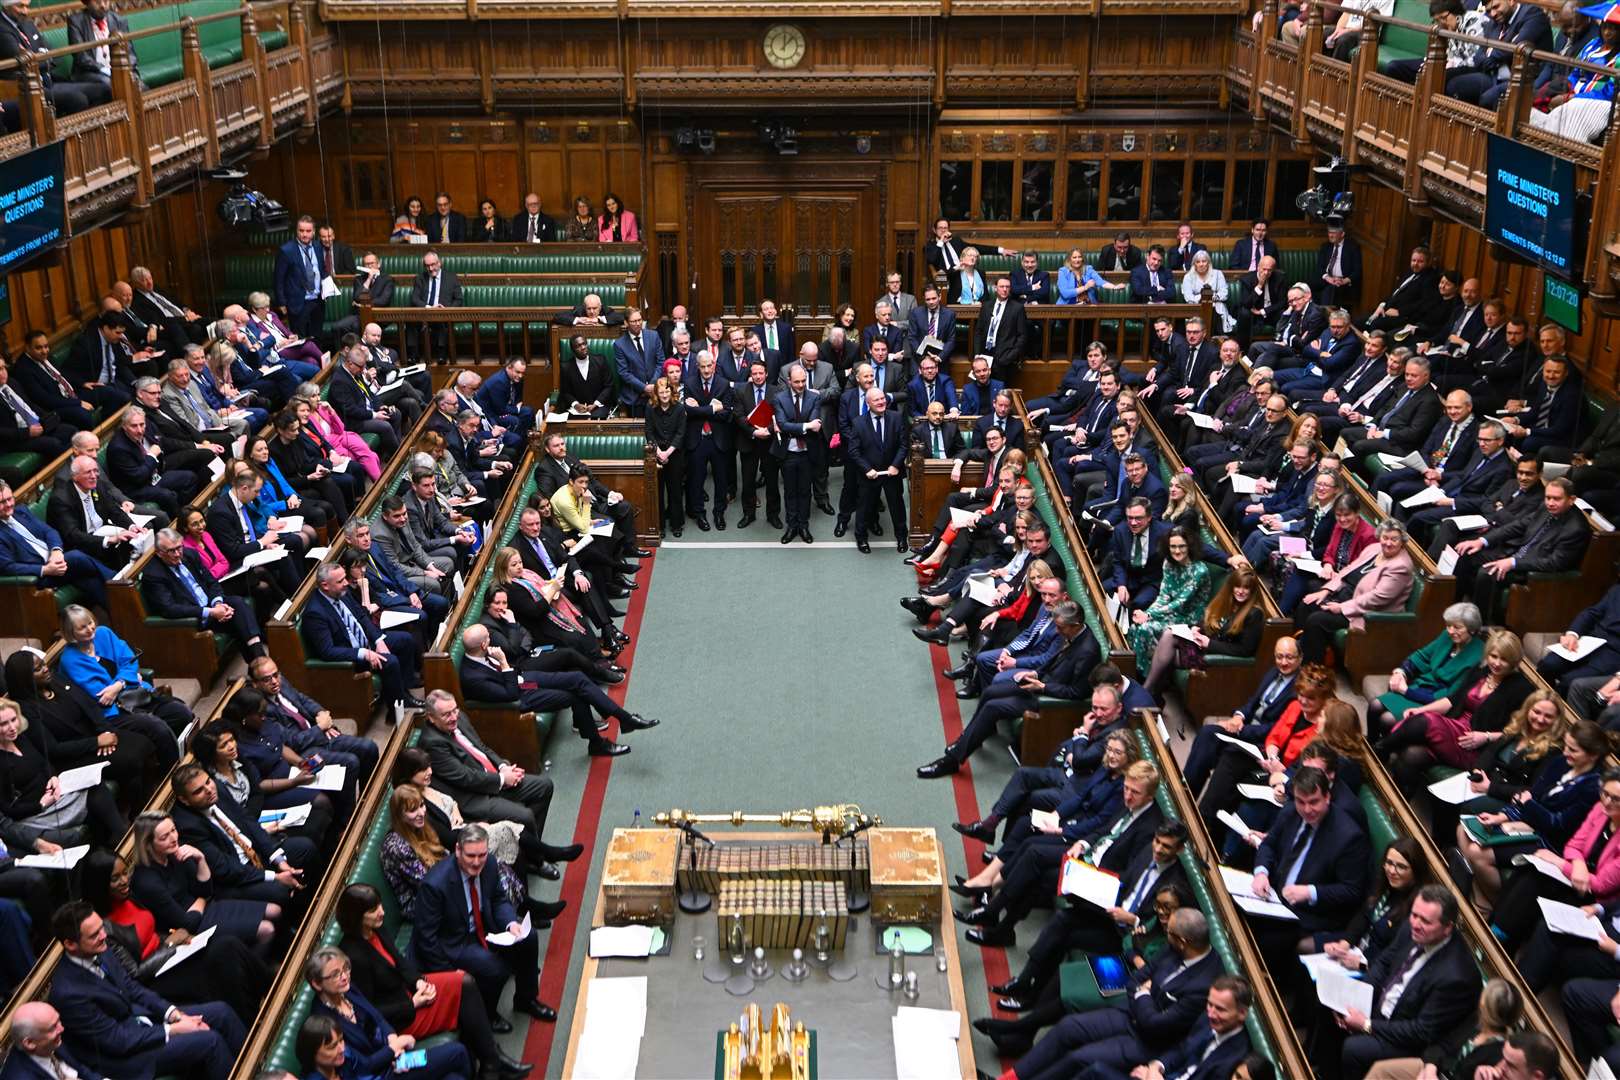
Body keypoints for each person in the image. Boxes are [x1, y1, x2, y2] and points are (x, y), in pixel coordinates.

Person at [335, 883, 529, 1079]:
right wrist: (412, 1003)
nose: (382, 912)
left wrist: (418, 982)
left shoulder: (375, 928)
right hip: (399, 1018)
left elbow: (400, 962)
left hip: (408, 992)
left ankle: (491, 1062)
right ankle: (492, 1063)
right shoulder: (353, 957)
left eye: (380, 905)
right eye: (373, 910)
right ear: (357, 916)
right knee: (463, 1000)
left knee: (464, 982)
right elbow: (370, 1010)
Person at [997, 906, 1219, 1076]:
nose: (1165, 935)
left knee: (1079, 1058)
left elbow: (1156, 1025)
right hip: (1128, 1014)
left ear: (1183, 941)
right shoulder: (1173, 948)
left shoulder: (1204, 985)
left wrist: (1143, 994)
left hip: (1148, 1044)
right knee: (1067, 1027)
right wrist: (1143, 993)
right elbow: (1136, 981)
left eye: (1169, 933)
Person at [49, 901, 247, 1080]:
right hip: (126, 1057)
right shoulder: (68, 993)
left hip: (142, 1023)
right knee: (210, 1041)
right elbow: (117, 1040)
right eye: (94, 935)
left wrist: (174, 1014)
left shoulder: (100, 948)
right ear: (70, 944)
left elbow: (133, 989)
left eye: (102, 928)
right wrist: (175, 1029)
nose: (104, 936)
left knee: (222, 1012)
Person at [917, 602, 1099, 778]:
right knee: (989, 692)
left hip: (1050, 702)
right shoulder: (1071, 634)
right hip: (1039, 684)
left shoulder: (1088, 651)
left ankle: (952, 760)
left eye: (1060, 627)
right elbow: (1052, 661)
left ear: (1075, 625)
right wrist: (1035, 674)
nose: (1057, 631)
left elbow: (1078, 693)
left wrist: (1042, 687)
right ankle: (974, 736)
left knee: (993, 708)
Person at [418, 691, 582, 877]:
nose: (454, 716)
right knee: (525, 816)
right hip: (473, 797)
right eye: (446, 714)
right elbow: (465, 777)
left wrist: (503, 766)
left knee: (544, 786)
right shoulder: (432, 742)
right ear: (431, 718)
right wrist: (503, 779)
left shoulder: (460, 718)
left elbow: (482, 748)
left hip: (493, 778)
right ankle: (537, 860)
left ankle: (528, 850)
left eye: (455, 710)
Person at [1331, 885, 1483, 1080]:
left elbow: (1421, 1032)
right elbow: (1384, 964)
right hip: (1384, 1012)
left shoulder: (1457, 976)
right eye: (1414, 915)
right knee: (1332, 1011)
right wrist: (1355, 997)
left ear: (1447, 928)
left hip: (1409, 1042)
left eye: (1425, 921)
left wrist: (1367, 1025)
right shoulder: (1411, 929)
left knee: (1355, 1049)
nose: (1416, 924)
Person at [411, 824, 555, 1024]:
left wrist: (510, 924)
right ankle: (488, 1016)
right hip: (456, 942)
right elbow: (426, 939)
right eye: (470, 856)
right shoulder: (435, 885)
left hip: (485, 927)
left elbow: (498, 899)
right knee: (495, 968)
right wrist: (449, 974)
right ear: (458, 850)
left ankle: (526, 999)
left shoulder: (490, 864)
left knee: (528, 937)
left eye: (482, 855)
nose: (477, 862)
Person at [1374, 629, 1533, 792]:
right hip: (1453, 727)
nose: (1497, 663)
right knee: (1411, 754)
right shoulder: (1481, 672)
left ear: (1514, 660)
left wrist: (1486, 736)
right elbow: (1452, 700)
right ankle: (1398, 801)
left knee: (1425, 721)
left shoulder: (1521, 689)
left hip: (1473, 744)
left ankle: (1379, 750)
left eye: (1504, 659)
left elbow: (1520, 730)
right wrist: (1421, 709)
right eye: (1494, 656)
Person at [458, 625, 652, 755]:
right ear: (483, 644)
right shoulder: (472, 677)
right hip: (519, 697)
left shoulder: (481, 653)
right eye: (489, 638)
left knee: (576, 678)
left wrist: (508, 668)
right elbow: (509, 695)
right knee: (574, 695)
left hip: (523, 681)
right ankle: (602, 739)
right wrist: (503, 663)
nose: (491, 640)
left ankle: (623, 720)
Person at [305, 947, 475, 1080]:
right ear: (317, 983)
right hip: (379, 1074)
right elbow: (362, 1065)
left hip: (393, 1058)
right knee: (457, 1052)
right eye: (335, 974)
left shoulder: (347, 990)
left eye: (346, 968)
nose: (344, 976)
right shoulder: (324, 1022)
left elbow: (377, 1016)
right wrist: (394, 1048)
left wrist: (393, 1037)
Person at [128, 810, 278, 948]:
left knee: (275, 910)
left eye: (173, 830)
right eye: (164, 837)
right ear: (147, 845)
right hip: (189, 929)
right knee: (267, 930)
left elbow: (205, 890)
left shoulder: (175, 853)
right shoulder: (146, 881)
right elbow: (186, 924)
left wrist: (200, 859)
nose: (173, 839)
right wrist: (201, 901)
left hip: (205, 909)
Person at [1450, 475, 1588, 624]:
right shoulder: (1545, 508)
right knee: (1467, 552)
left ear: (1572, 499)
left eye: (1556, 499)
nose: (1550, 503)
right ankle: (1453, 608)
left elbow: (1554, 563)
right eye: (1548, 497)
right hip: (1515, 554)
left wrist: (1514, 563)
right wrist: (1482, 541)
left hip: (1533, 572)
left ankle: (1478, 625)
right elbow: (1518, 526)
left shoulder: (1576, 529)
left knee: (1487, 572)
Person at [301, 563, 426, 715]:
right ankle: (396, 712)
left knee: (405, 639)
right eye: (340, 581)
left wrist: (379, 640)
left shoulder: (341, 593)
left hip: (366, 642)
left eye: (344, 578)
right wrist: (364, 653)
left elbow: (362, 616)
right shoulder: (315, 613)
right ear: (325, 585)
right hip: (350, 657)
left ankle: (404, 692)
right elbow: (327, 651)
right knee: (390, 661)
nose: (346, 583)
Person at [1293, 518, 1415, 663]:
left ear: (1402, 541)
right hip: (1347, 595)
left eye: (1394, 539)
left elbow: (1376, 598)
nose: (1388, 543)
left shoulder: (1401, 566)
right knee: (1307, 603)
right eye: (1385, 537)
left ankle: (1312, 670)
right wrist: (1325, 591)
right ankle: (1298, 653)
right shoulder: (1374, 548)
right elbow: (1348, 569)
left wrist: (1342, 607)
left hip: (1366, 613)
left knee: (1317, 620)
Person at [1142, 565, 1266, 698]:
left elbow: (1245, 650)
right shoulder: (1229, 601)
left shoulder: (1254, 614)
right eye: (1238, 586)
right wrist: (1196, 628)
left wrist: (1209, 644)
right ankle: (1151, 694)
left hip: (1215, 657)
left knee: (1166, 652)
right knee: (1168, 635)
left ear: (1252, 590)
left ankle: (1148, 692)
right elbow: (1211, 619)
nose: (1240, 591)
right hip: (1204, 646)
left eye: (1246, 588)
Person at [1366, 602, 1485, 732]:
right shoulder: (1447, 637)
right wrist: (1401, 672)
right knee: (1375, 705)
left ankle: (1379, 750)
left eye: (1457, 627)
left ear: (1472, 629)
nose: (1450, 631)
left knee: (1387, 719)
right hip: (1420, 686)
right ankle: (1368, 748)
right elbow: (1422, 656)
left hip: (1434, 701)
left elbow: (1452, 696)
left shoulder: (1478, 655)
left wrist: (1407, 691)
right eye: (1448, 625)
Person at [1125, 527, 1214, 673]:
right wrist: (1146, 613)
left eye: (1181, 546)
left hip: (1189, 618)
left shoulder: (1199, 571)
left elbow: (1180, 601)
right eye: (1173, 546)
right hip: (1170, 613)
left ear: (1189, 546)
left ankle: (1148, 677)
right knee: (1136, 627)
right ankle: (1137, 672)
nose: (1177, 551)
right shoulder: (1168, 563)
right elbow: (1164, 596)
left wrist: (1148, 616)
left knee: (1146, 629)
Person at [850, 386, 907, 554]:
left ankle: (902, 536)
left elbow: (904, 445)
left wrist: (895, 465)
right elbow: (853, 451)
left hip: (892, 473)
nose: (881, 402)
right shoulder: (858, 423)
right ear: (868, 403)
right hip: (869, 475)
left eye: (883, 398)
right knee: (865, 507)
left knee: (897, 506)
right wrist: (867, 469)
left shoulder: (896, 417)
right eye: (876, 400)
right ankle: (861, 537)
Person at [1, 1002, 102, 1080]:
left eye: (58, 1020)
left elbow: (81, 1069)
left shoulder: (48, 1041)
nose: (61, 1028)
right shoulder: (22, 1076)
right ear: (30, 1043)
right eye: (53, 1027)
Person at [976, 276, 1029, 381]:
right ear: (995, 288)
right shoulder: (986, 306)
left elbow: (1022, 336)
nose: (1005, 289)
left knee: (1001, 392)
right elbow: (978, 331)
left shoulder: (1017, 308)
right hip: (985, 355)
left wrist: (1010, 357)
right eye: (1001, 286)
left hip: (1004, 358)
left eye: (1007, 287)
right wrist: (977, 354)